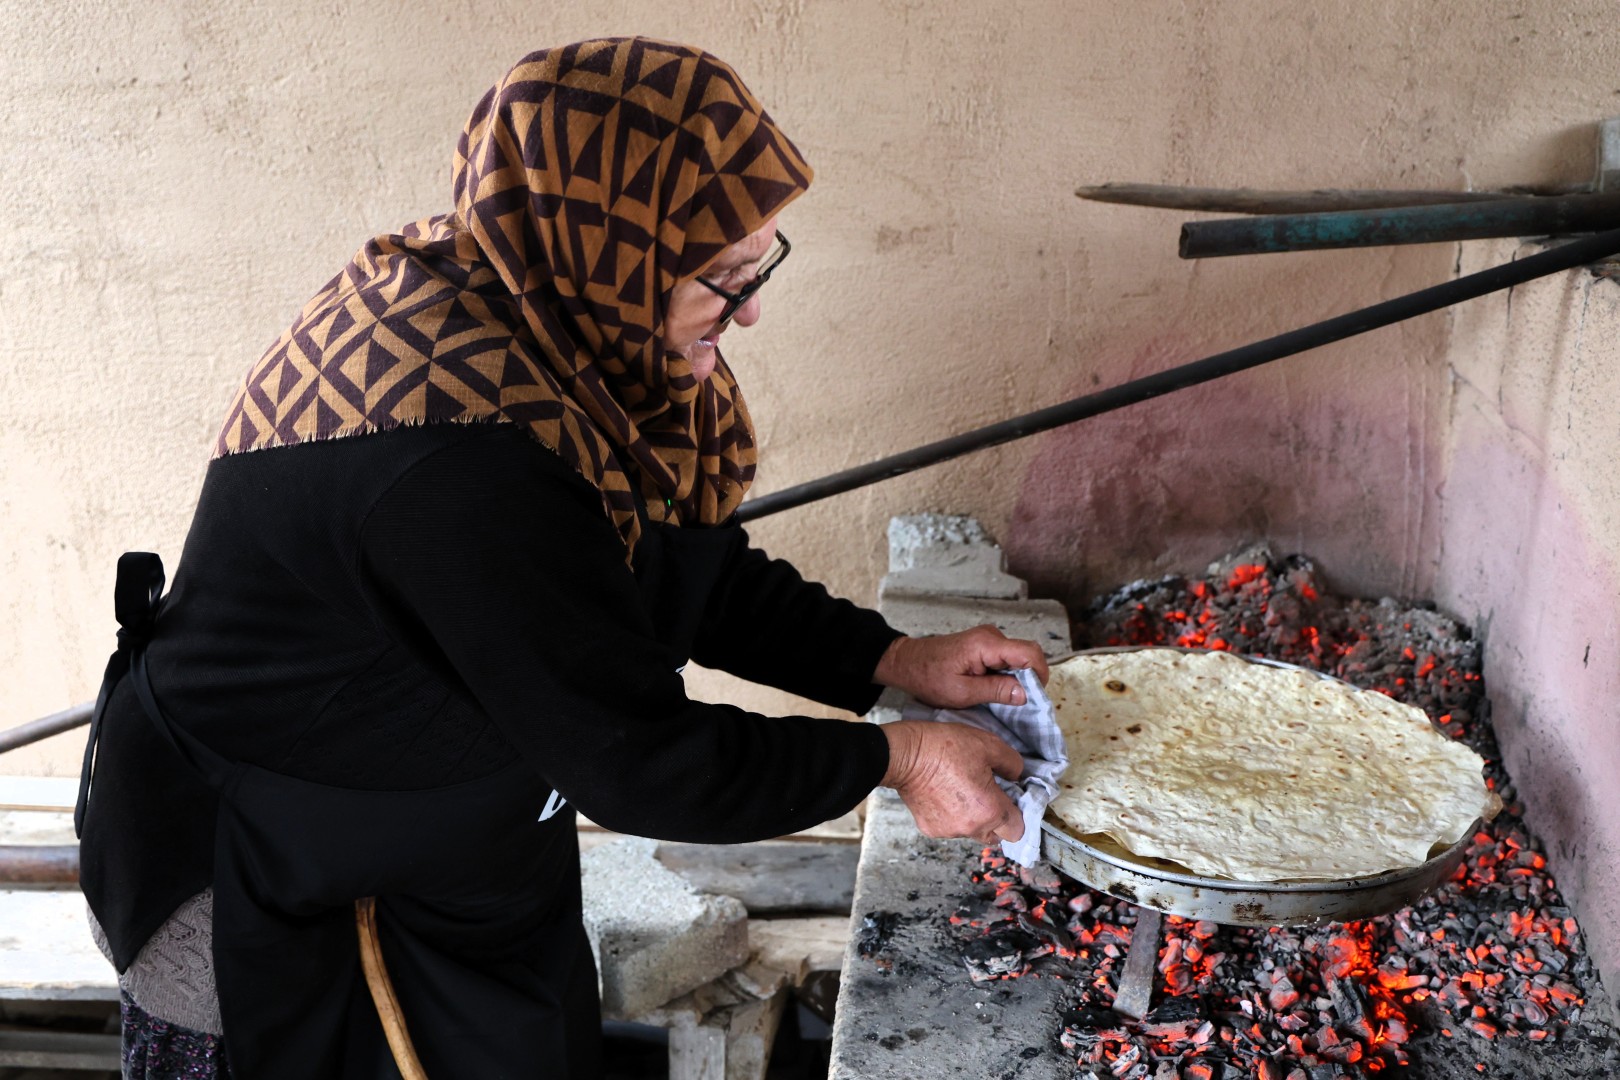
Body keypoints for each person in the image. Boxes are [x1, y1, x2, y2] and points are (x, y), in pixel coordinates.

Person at [76, 37, 1045, 1079]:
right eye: (722, 279)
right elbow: (637, 761)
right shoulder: (460, 452)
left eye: (759, 264)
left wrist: (889, 660)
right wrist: (895, 760)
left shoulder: (554, 325)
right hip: (266, 858)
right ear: (615, 250)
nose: (751, 309)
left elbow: (667, 567)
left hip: (454, 813)